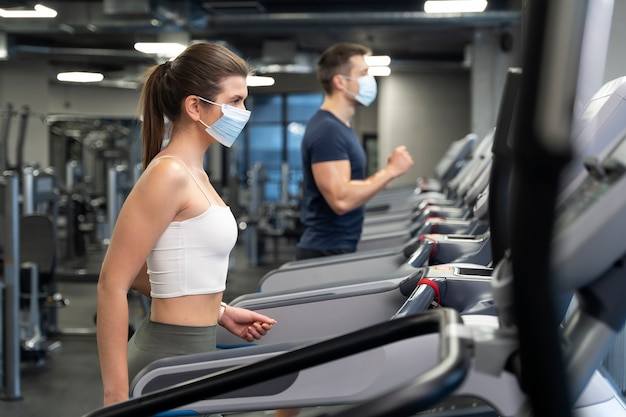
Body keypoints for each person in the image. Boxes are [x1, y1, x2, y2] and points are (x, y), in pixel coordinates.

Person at [96, 42, 277, 408]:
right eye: (236, 100)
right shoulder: (169, 173)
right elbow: (112, 285)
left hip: (196, 346)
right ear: (195, 106)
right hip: (165, 355)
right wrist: (116, 398)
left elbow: (162, 272)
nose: (244, 112)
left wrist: (220, 312)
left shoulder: (196, 171)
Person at [295, 42, 414, 261]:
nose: (370, 79)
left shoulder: (341, 126)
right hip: (325, 250)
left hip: (338, 246)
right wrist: (390, 171)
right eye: (363, 73)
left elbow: (348, 187)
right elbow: (341, 200)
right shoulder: (328, 130)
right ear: (340, 81)